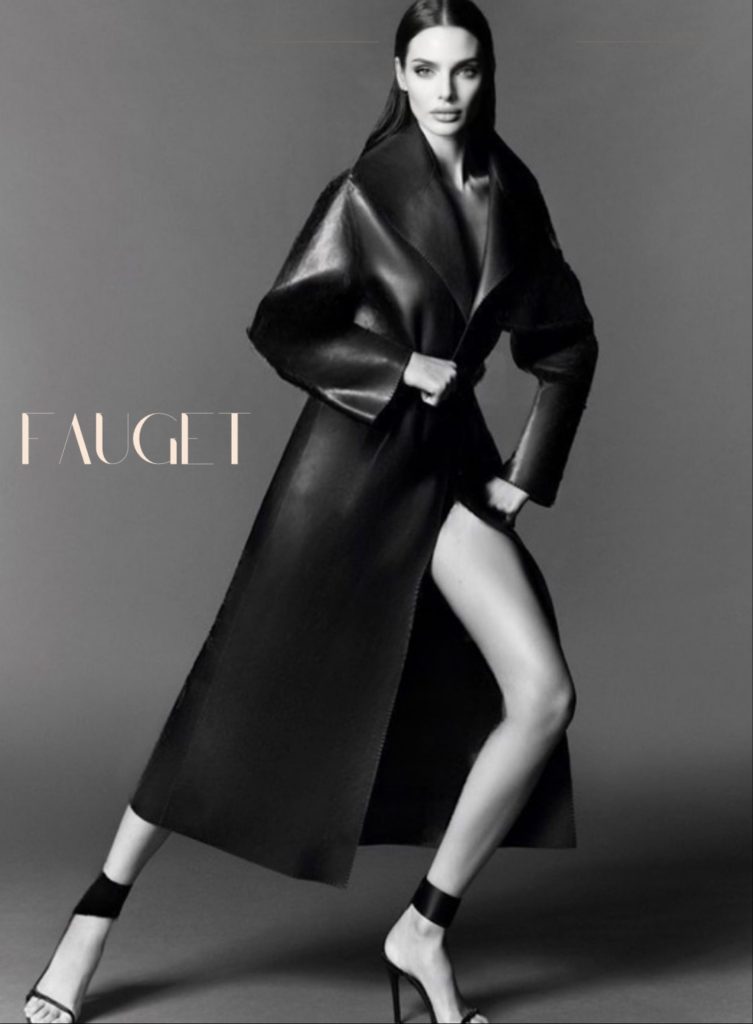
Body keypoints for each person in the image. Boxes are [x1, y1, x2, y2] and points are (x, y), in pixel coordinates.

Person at [23, 2, 599, 1022]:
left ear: (487, 74)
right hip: (343, 476)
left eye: (465, 70)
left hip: (445, 471)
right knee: (227, 704)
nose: (447, 92)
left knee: (543, 694)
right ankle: (95, 914)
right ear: (400, 74)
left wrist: (526, 471)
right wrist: (400, 364)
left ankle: (422, 930)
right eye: (427, 70)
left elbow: (566, 341)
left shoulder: (513, 192)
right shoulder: (364, 193)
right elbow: (284, 324)